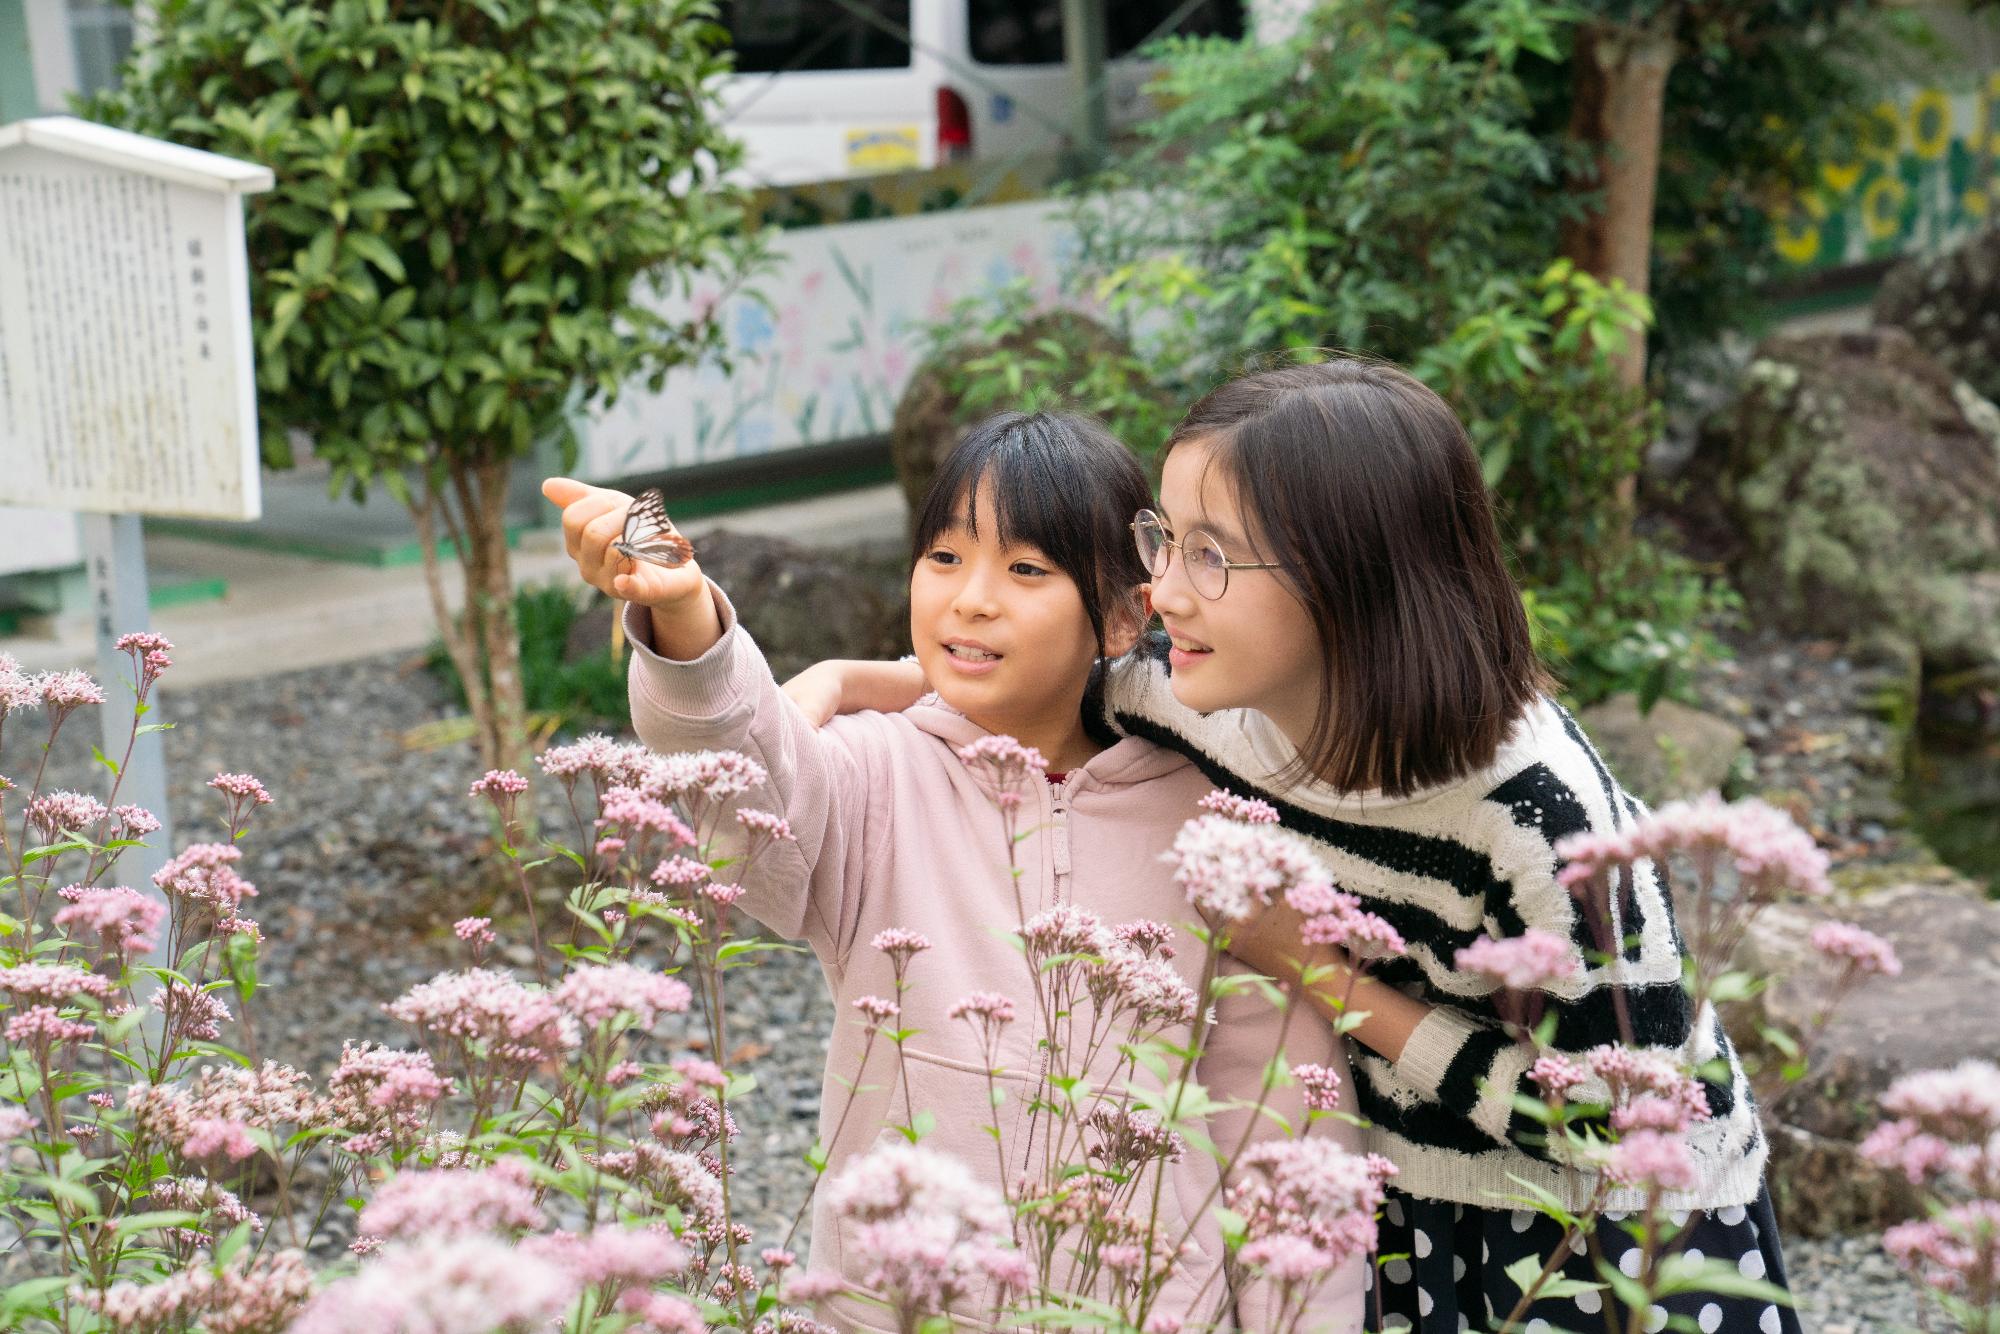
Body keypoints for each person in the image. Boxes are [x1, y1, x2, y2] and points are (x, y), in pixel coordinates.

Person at [794, 360, 1801, 1334]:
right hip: (1397, 1189)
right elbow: (1027, 664)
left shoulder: (1539, 816)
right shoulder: (1201, 701)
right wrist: (843, 679)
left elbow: (1620, 1120)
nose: (1161, 592)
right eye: (1164, 539)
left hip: (1606, 1232)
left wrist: (1325, 979)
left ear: (1348, 582)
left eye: (1208, 555)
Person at [542, 410, 1362, 1334]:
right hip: (896, 1306)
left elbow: (1284, 1122)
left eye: (1025, 570)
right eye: (944, 557)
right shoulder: (869, 773)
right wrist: (685, 613)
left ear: (1128, 614)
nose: (971, 600)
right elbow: (745, 773)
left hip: (1155, 1310)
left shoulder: (1211, 818)